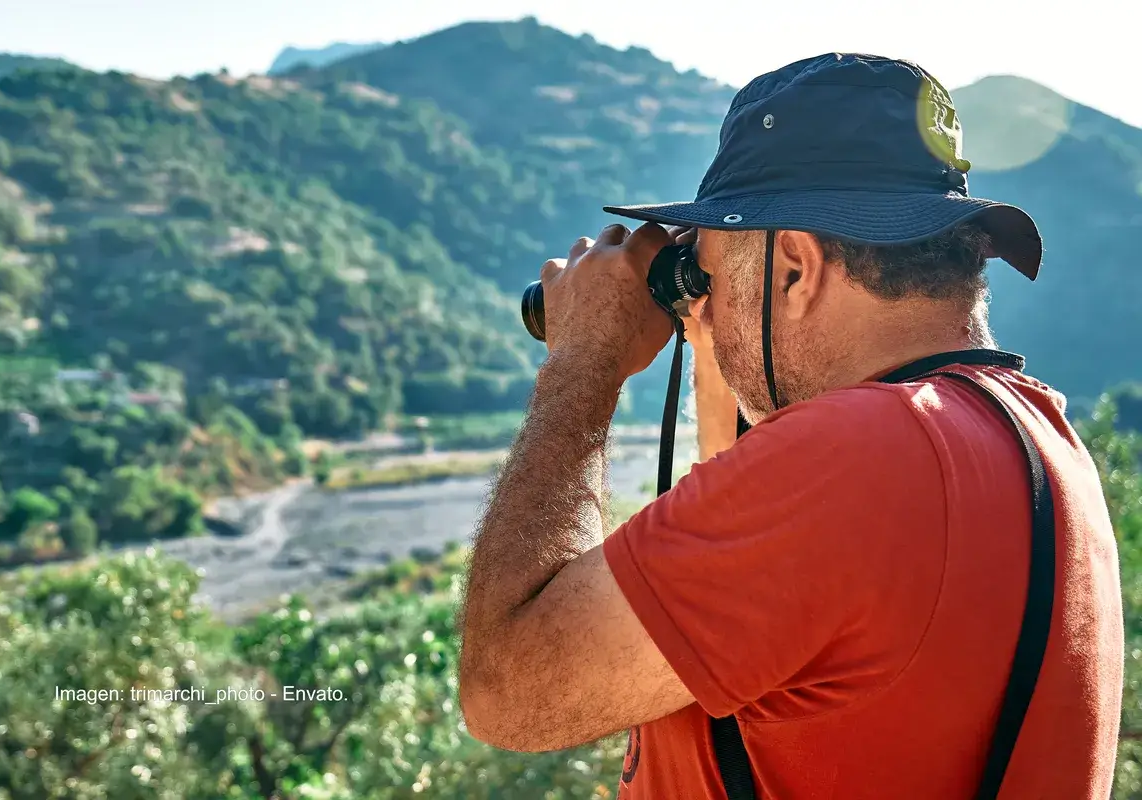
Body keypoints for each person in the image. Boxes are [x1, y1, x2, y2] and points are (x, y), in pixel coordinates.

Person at [456, 52, 1124, 799]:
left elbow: (507, 691)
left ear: (795, 269)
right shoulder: (1041, 440)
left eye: (706, 274)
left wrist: (584, 362)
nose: (698, 308)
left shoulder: (850, 461)